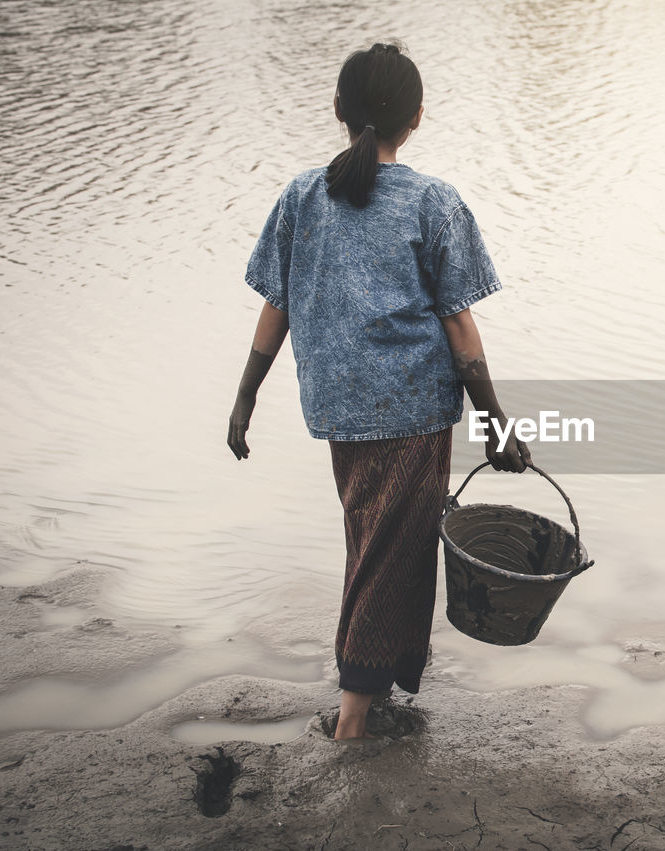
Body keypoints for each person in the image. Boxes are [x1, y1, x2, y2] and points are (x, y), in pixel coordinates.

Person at [226, 42, 530, 741]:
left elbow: (278, 304)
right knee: (392, 552)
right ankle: (355, 716)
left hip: (338, 406)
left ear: (340, 111)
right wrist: (497, 423)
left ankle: (376, 692)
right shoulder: (432, 202)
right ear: (417, 118)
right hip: (415, 411)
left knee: (372, 536)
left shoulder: (303, 195)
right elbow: (460, 326)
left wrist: (245, 396)